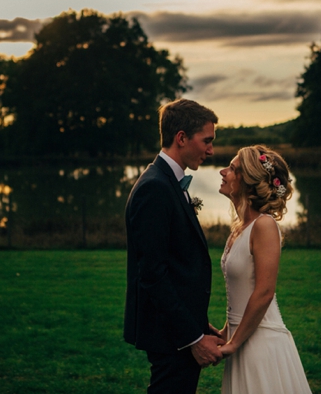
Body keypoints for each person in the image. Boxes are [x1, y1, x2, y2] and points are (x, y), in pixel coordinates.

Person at [124, 98, 225, 394]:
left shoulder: (167, 181)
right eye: (206, 141)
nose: (211, 150)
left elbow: (178, 264)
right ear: (181, 138)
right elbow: (153, 274)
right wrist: (192, 337)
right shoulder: (155, 188)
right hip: (169, 335)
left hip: (176, 328)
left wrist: (199, 323)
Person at [217, 145, 311, 393]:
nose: (222, 171)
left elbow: (264, 292)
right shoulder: (240, 227)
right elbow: (241, 290)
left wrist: (233, 344)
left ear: (248, 181)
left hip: (260, 343)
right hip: (241, 337)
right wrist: (225, 332)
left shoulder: (264, 225)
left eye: (232, 168)